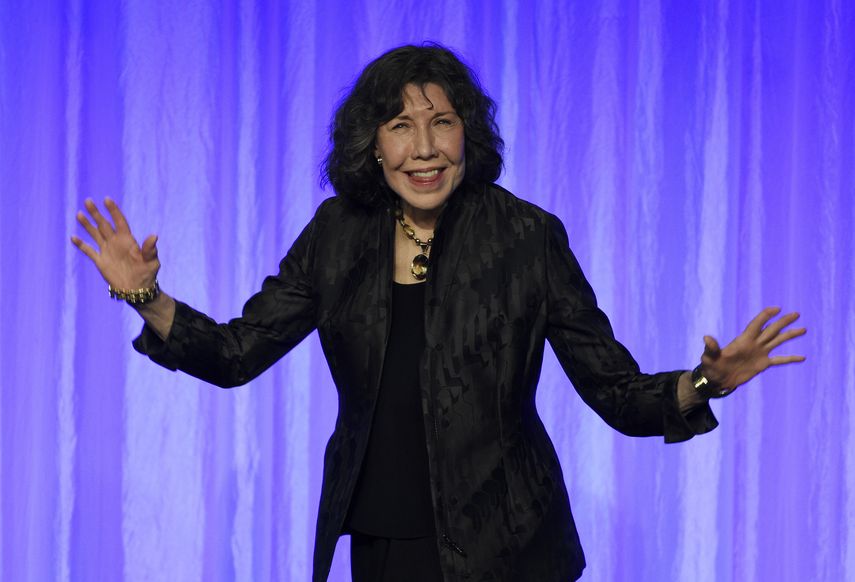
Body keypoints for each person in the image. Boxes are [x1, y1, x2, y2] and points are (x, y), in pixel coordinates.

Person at [71, 43, 806, 582]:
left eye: (441, 123)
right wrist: (146, 296)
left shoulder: (526, 237)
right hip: (383, 544)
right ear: (373, 146)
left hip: (512, 550)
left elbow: (614, 391)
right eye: (399, 126)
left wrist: (705, 381)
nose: (423, 149)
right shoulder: (337, 234)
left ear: (467, 135)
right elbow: (236, 354)